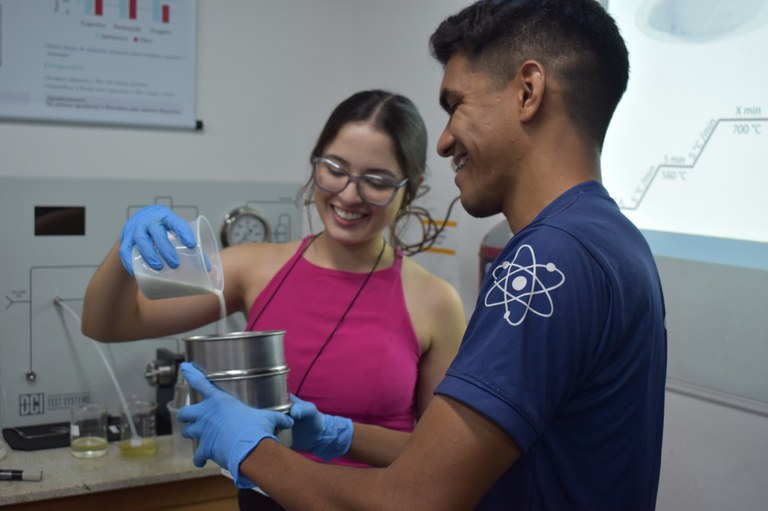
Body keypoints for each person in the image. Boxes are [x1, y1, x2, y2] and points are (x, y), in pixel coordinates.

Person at [176, 0, 668, 509]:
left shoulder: (545, 260)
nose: (445, 140)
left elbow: (409, 502)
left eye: (456, 104)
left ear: (528, 91)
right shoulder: (616, 241)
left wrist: (248, 447)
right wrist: (339, 435)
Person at [80, 90, 467, 509]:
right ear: (315, 162)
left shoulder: (434, 302)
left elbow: (443, 466)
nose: (349, 195)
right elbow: (107, 325)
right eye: (335, 169)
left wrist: (341, 434)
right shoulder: (255, 269)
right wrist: (124, 250)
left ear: (410, 189)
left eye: (376, 181)